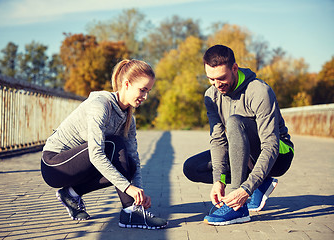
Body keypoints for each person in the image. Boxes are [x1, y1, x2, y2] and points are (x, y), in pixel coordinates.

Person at [41, 59, 168, 229]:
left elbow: (134, 158)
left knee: (128, 164)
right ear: (127, 84)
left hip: (81, 166)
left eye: (148, 91)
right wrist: (128, 188)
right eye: (142, 90)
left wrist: (139, 192)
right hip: (55, 165)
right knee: (115, 144)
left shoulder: (129, 118)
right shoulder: (100, 106)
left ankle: (71, 194)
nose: (145, 96)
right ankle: (130, 212)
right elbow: (96, 154)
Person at [183, 45, 294, 225]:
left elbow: (271, 145)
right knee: (192, 167)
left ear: (234, 68)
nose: (217, 85)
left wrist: (244, 190)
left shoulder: (259, 91)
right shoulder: (211, 96)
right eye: (211, 79)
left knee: (235, 122)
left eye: (221, 78)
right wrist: (218, 180)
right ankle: (259, 183)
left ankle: (238, 207)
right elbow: (218, 140)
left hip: (279, 155)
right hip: (245, 154)